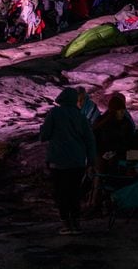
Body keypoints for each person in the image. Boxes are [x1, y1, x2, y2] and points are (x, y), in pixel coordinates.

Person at [39, 87, 96, 235]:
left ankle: (66, 223)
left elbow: (44, 135)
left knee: (61, 192)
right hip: (77, 162)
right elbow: (90, 140)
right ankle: (76, 223)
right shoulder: (81, 116)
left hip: (58, 161)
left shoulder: (54, 113)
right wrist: (91, 162)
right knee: (74, 191)